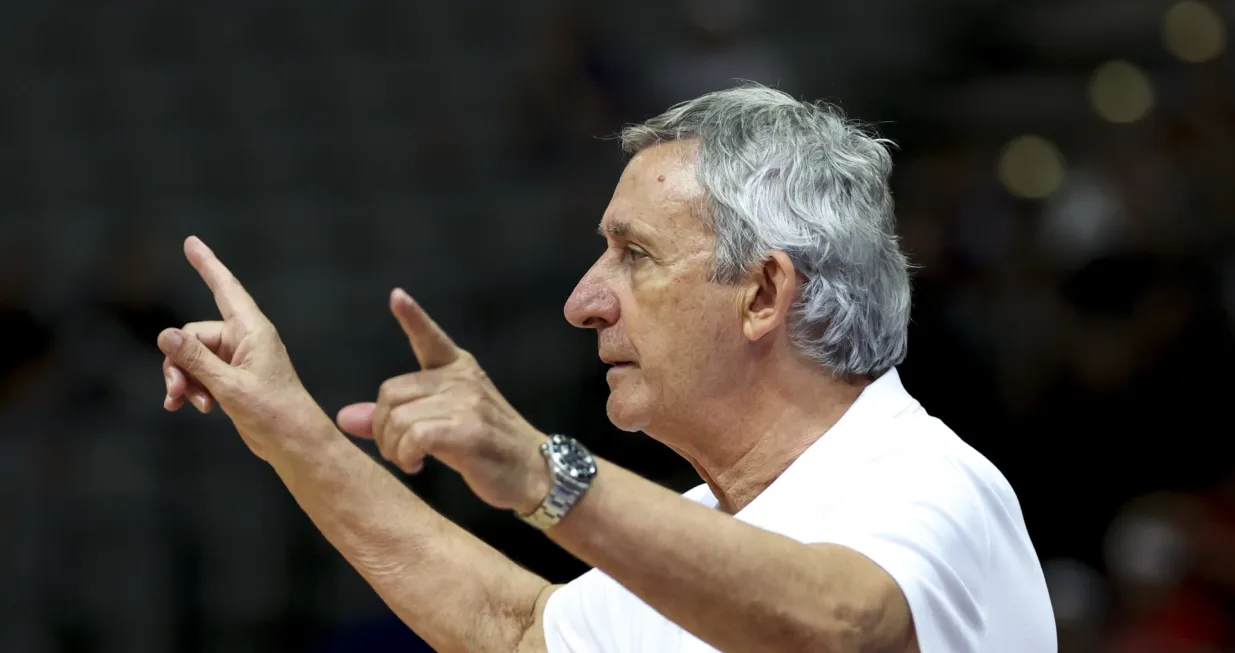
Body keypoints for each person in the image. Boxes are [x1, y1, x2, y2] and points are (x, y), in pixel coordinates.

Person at [158, 84, 1056, 653]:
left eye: (633, 253)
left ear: (761, 293)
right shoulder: (701, 529)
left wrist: (544, 475)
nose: (583, 301)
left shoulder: (925, 477)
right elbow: (513, 631)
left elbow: (842, 628)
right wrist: (289, 429)